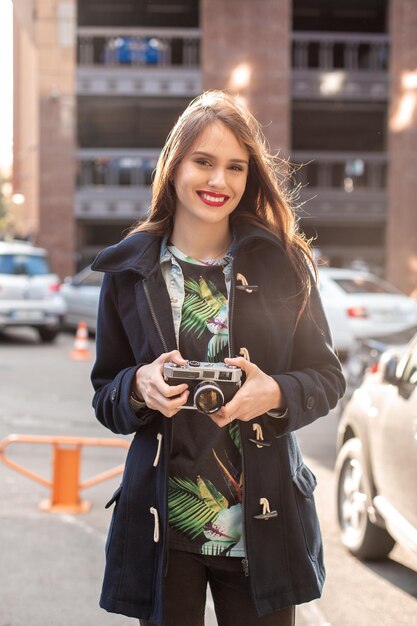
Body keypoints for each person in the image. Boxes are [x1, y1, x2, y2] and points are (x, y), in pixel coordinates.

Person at [91, 90, 345, 626]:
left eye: (235, 167)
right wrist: (139, 386)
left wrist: (272, 392)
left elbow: (326, 378)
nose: (219, 182)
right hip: (166, 525)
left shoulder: (284, 262)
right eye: (203, 162)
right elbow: (106, 393)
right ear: (174, 164)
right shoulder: (129, 271)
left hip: (265, 523)